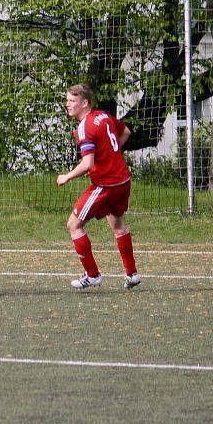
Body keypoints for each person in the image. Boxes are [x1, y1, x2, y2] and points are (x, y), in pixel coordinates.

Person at [56, 84, 141, 290]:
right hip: (123, 181)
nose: (67, 104)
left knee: (73, 225)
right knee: (118, 226)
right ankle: (132, 274)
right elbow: (126, 132)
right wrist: (111, 154)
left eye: (72, 101)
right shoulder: (103, 116)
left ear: (84, 103)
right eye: (67, 100)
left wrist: (67, 177)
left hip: (106, 185)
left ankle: (92, 275)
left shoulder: (85, 127)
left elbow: (87, 164)